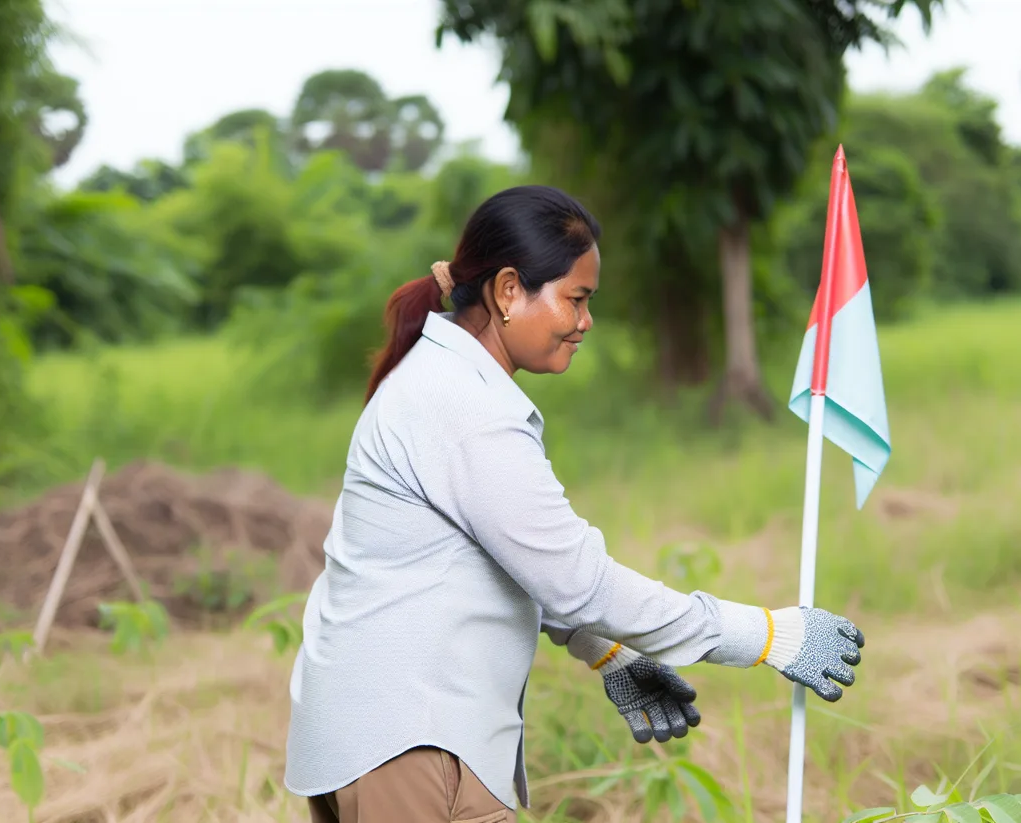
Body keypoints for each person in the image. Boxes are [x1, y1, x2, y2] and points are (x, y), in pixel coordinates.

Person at [283, 185, 866, 823]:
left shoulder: (444, 382)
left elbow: (502, 558)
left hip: (377, 735)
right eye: (576, 299)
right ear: (509, 291)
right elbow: (578, 582)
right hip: (413, 743)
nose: (586, 322)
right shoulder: (462, 407)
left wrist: (607, 651)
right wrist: (767, 635)